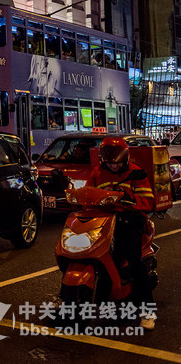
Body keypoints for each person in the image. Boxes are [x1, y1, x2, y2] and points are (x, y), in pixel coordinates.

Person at [84, 136, 157, 330]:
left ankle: (147, 311)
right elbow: (87, 194)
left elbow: (147, 201)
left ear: (125, 158)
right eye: (109, 161)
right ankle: (68, 300)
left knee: (135, 262)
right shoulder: (97, 173)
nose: (113, 165)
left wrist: (127, 199)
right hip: (103, 223)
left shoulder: (137, 174)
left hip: (129, 223)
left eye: (116, 161)